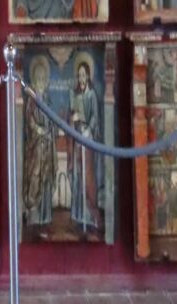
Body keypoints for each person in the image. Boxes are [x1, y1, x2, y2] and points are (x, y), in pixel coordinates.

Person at [69, 60, 102, 234]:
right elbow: (72, 115)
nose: (81, 78)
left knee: (87, 177)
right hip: (78, 139)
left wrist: (89, 129)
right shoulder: (76, 95)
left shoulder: (92, 95)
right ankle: (79, 217)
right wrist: (73, 119)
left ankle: (90, 217)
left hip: (88, 140)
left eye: (83, 74)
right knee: (77, 176)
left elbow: (95, 117)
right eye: (79, 75)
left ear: (88, 76)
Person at [22, 56, 55, 229]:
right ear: (34, 81)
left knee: (46, 177)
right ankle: (33, 216)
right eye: (38, 79)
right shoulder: (31, 100)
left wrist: (49, 131)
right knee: (35, 176)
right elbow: (30, 121)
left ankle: (45, 217)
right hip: (35, 146)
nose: (41, 82)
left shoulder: (47, 99)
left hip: (47, 145)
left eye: (43, 79)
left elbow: (52, 119)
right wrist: (38, 130)